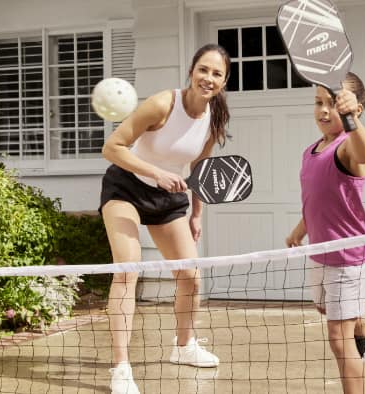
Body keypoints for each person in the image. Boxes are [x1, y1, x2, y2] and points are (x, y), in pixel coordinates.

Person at [99, 44, 231, 394]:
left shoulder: (213, 119)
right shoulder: (163, 104)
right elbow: (112, 147)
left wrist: (197, 213)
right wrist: (155, 172)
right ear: (191, 71)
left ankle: (184, 346)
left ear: (224, 81)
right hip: (126, 188)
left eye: (217, 73)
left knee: (191, 276)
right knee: (128, 269)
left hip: (168, 196)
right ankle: (121, 368)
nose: (209, 78)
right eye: (204, 69)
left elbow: (199, 169)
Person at [285, 72, 365, 394]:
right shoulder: (311, 150)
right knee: (331, 311)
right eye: (318, 103)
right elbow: (319, 201)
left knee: (338, 338)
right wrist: (300, 230)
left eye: (333, 104)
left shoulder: (347, 149)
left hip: (347, 258)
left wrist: (350, 119)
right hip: (319, 253)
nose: (324, 111)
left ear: (354, 110)